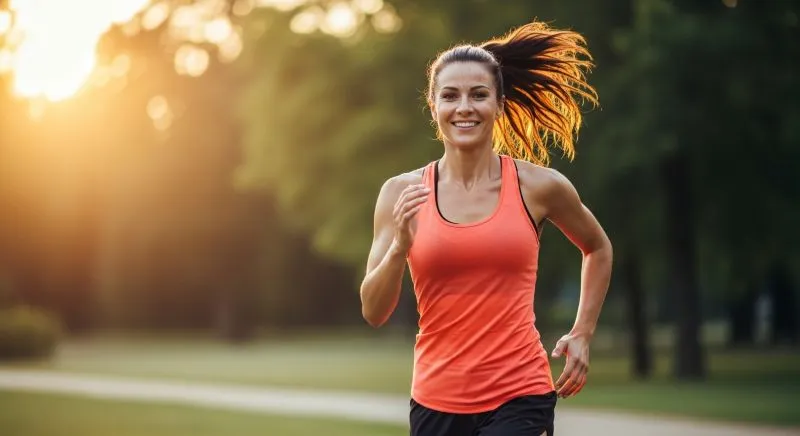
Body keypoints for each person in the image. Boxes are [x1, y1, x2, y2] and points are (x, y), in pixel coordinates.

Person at [359, 20, 613, 436]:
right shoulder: (399, 193)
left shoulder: (539, 186)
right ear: (433, 105)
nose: (464, 108)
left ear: (498, 102)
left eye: (479, 95)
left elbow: (597, 247)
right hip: (435, 399)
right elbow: (373, 310)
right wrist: (398, 248)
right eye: (450, 96)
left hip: (521, 393)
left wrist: (582, 332)